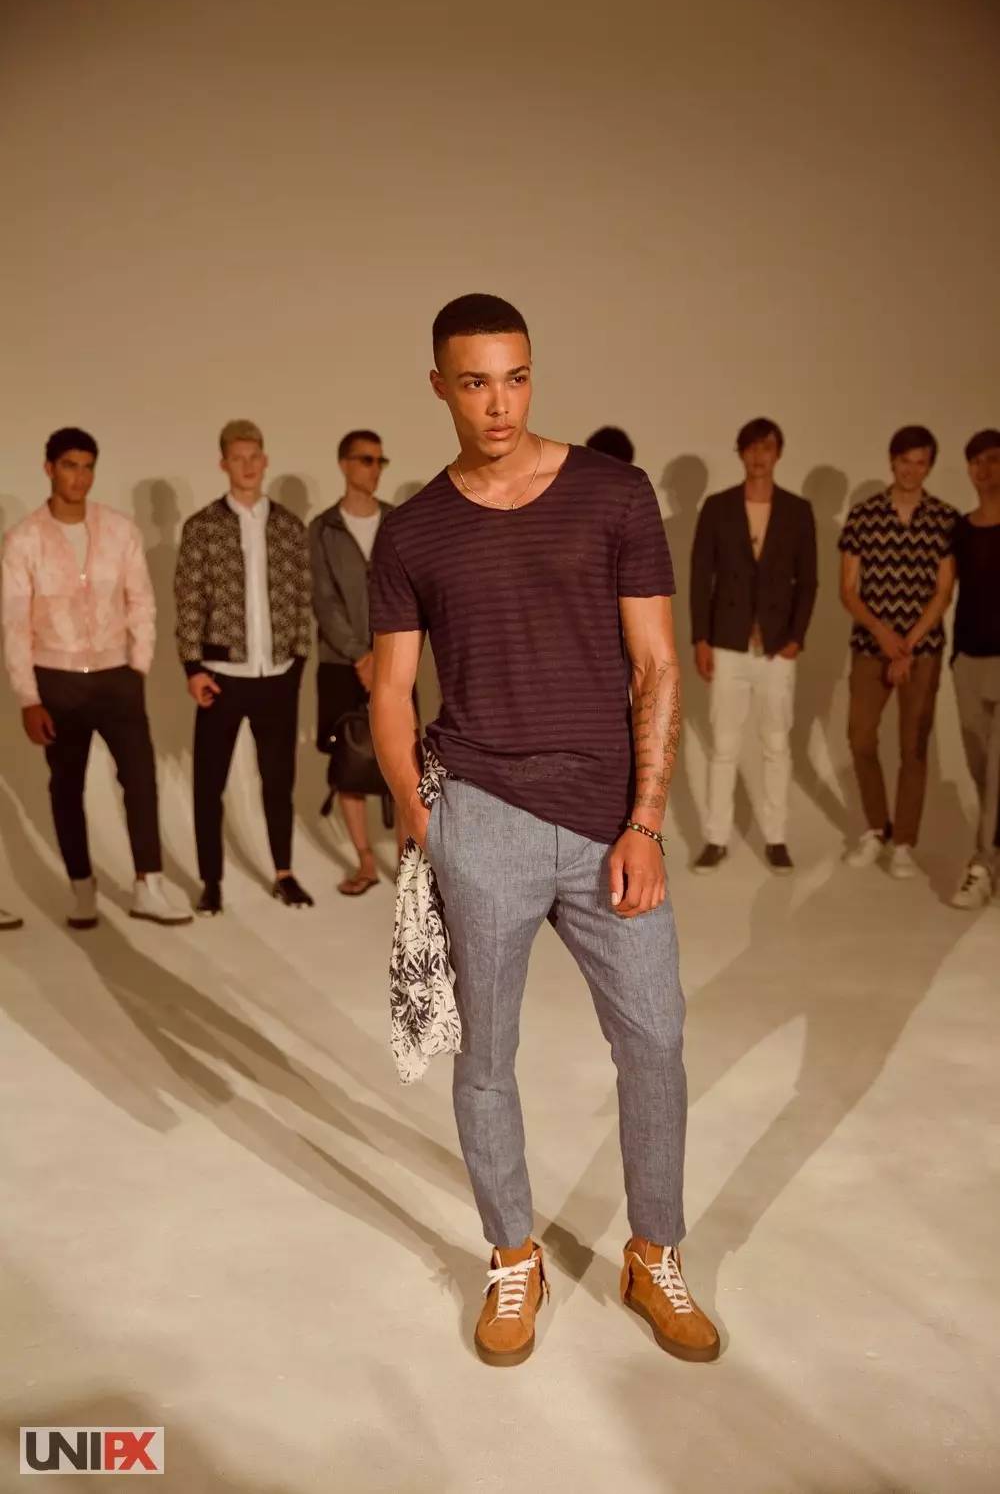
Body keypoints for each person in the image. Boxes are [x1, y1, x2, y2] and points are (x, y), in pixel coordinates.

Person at [370, 293, 719, 1368]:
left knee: (655, 1041)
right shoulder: (412, 529)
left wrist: (646, 821)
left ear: (533, 375)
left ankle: (653, 1253)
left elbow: (656, 666)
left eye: (515, 377)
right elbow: (390, 687)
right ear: (439, 386)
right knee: (487, 1057)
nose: (499, 404)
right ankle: (511, 1255)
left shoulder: (614, 495)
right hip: (482, 819)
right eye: (475, 382)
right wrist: (424, 817)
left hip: (612, 822)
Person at [1, 428, 190, 928]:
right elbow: (15, 622)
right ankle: (82, 888)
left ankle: (149, 886)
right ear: (49, 469)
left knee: (141, 779)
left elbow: (142, 601)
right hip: (56, 680)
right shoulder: (23, 540)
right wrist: (28, 697)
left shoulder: (119, 530)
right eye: (70, 466)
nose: (80, 477)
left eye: (87, 467)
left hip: (116, 677)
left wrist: (137, 667)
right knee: (66, 786)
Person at [174, 419, 314, 915]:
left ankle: (284, 873)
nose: (248, 465)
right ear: (224, 464)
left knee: (278, 780)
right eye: (238, 458)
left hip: (277, 677)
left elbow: (303, 600)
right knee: (209, 783)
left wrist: (296, 664)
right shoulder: (201, 528)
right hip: (222, 676)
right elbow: (188, 601)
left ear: (265, 460)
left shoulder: (289, 527)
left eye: (255, 456)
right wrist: (193, 667)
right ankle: (211, 881)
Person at [689, 417, 817, 873]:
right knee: (723, 745)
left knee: (776, 744)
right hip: (727, 642)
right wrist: (701, 638)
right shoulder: (718, 507)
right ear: (741, 452)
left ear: (778, 453)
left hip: (778, 647)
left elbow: (808, 581)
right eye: (752, 448)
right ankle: (716, 838)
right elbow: (701, 577)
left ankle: (776, 838)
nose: (759, 456)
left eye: (767, 448)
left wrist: (796, 637)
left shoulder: (797, 510)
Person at [839, 426, 958, 879]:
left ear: (929, 467)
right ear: (892, 461)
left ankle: (904, 841)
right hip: (871, 646)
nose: (911, 470)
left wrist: (908, 643)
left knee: (914, 746)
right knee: (860, 737)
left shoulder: (944, 518)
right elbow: (848, 589)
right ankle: (876, 828)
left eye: (920, 462)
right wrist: (884, 635)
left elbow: (944, 591)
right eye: (905, 460)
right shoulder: (864, 515)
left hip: (923, 650)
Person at [309, 430, 403, 895]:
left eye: (379, 461)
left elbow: (406, 592)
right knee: (349, 759)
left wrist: (383, 654)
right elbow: (323, 600)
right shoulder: (323, 528)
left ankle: (408, 865)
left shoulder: (397, 521)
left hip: (395, 658)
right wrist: (359, 655)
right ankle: (365, 861)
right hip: (339, 662)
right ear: (345, 464)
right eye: (366, 460)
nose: (375, 469)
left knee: (404, 758)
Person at [949, 428, 1000, 909]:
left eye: (993, 460)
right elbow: (944, 592)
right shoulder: (960, 529)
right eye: (977, 461)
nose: (985, 470)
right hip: (967, 659)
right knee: (983, 769)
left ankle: (981, 866)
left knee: (999, 768)